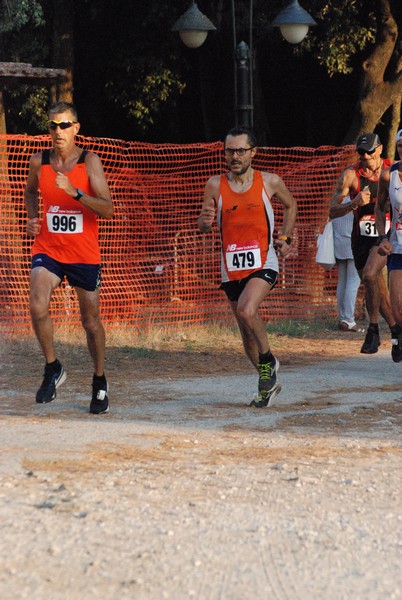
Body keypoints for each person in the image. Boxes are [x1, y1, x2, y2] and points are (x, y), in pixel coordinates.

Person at [24, 101, 114, 414]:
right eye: (53, 126)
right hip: (48, 249)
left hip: (83, 253)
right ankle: (53, 368)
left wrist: (75, 192)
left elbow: (107, 208)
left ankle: (99, 380)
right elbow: (30, 192)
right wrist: (32, 218)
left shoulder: (90, 162)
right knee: (37, 304)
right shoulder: (40, 161)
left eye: (65, 125)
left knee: (90, 322)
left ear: (76, 128)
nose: (58, 131)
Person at [197, 126, 297, 407]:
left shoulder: (270, 182)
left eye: (241, 150)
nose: (235, 156)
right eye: (230, 151)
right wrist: (204, 222)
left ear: (253, 152)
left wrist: (286, 238)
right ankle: (268, 385)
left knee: (246, 309)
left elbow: (291, 206)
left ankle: (268, 362)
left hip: (263, 261)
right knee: (245, 333)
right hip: (230, 267)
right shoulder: (214, 185)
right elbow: (204, 224)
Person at [329, 132, 398, 354]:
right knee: (376, 287)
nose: (365, 156)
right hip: (361, 239)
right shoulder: (350, 175)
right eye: (361, 152)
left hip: (387, 236)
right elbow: (332, 210)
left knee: (369, 275)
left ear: (379, 150)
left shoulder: (392, 169)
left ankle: (373, 330)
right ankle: (397, 333)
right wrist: (354, 204)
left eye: (369, 151)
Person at [375, 129, 402, 362]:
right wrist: (383, 238)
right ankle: (399, 336)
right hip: (397, 247)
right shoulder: (388, 176)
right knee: (397, 307)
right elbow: (379, 208)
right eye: (401, 145)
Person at [332, 197, 361, 332]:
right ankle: (349, 319)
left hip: (339, 242)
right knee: (353, 281)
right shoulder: (358, 197)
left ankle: (342, 317)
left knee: (342, 281)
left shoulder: (337, 198)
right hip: (354, 242)